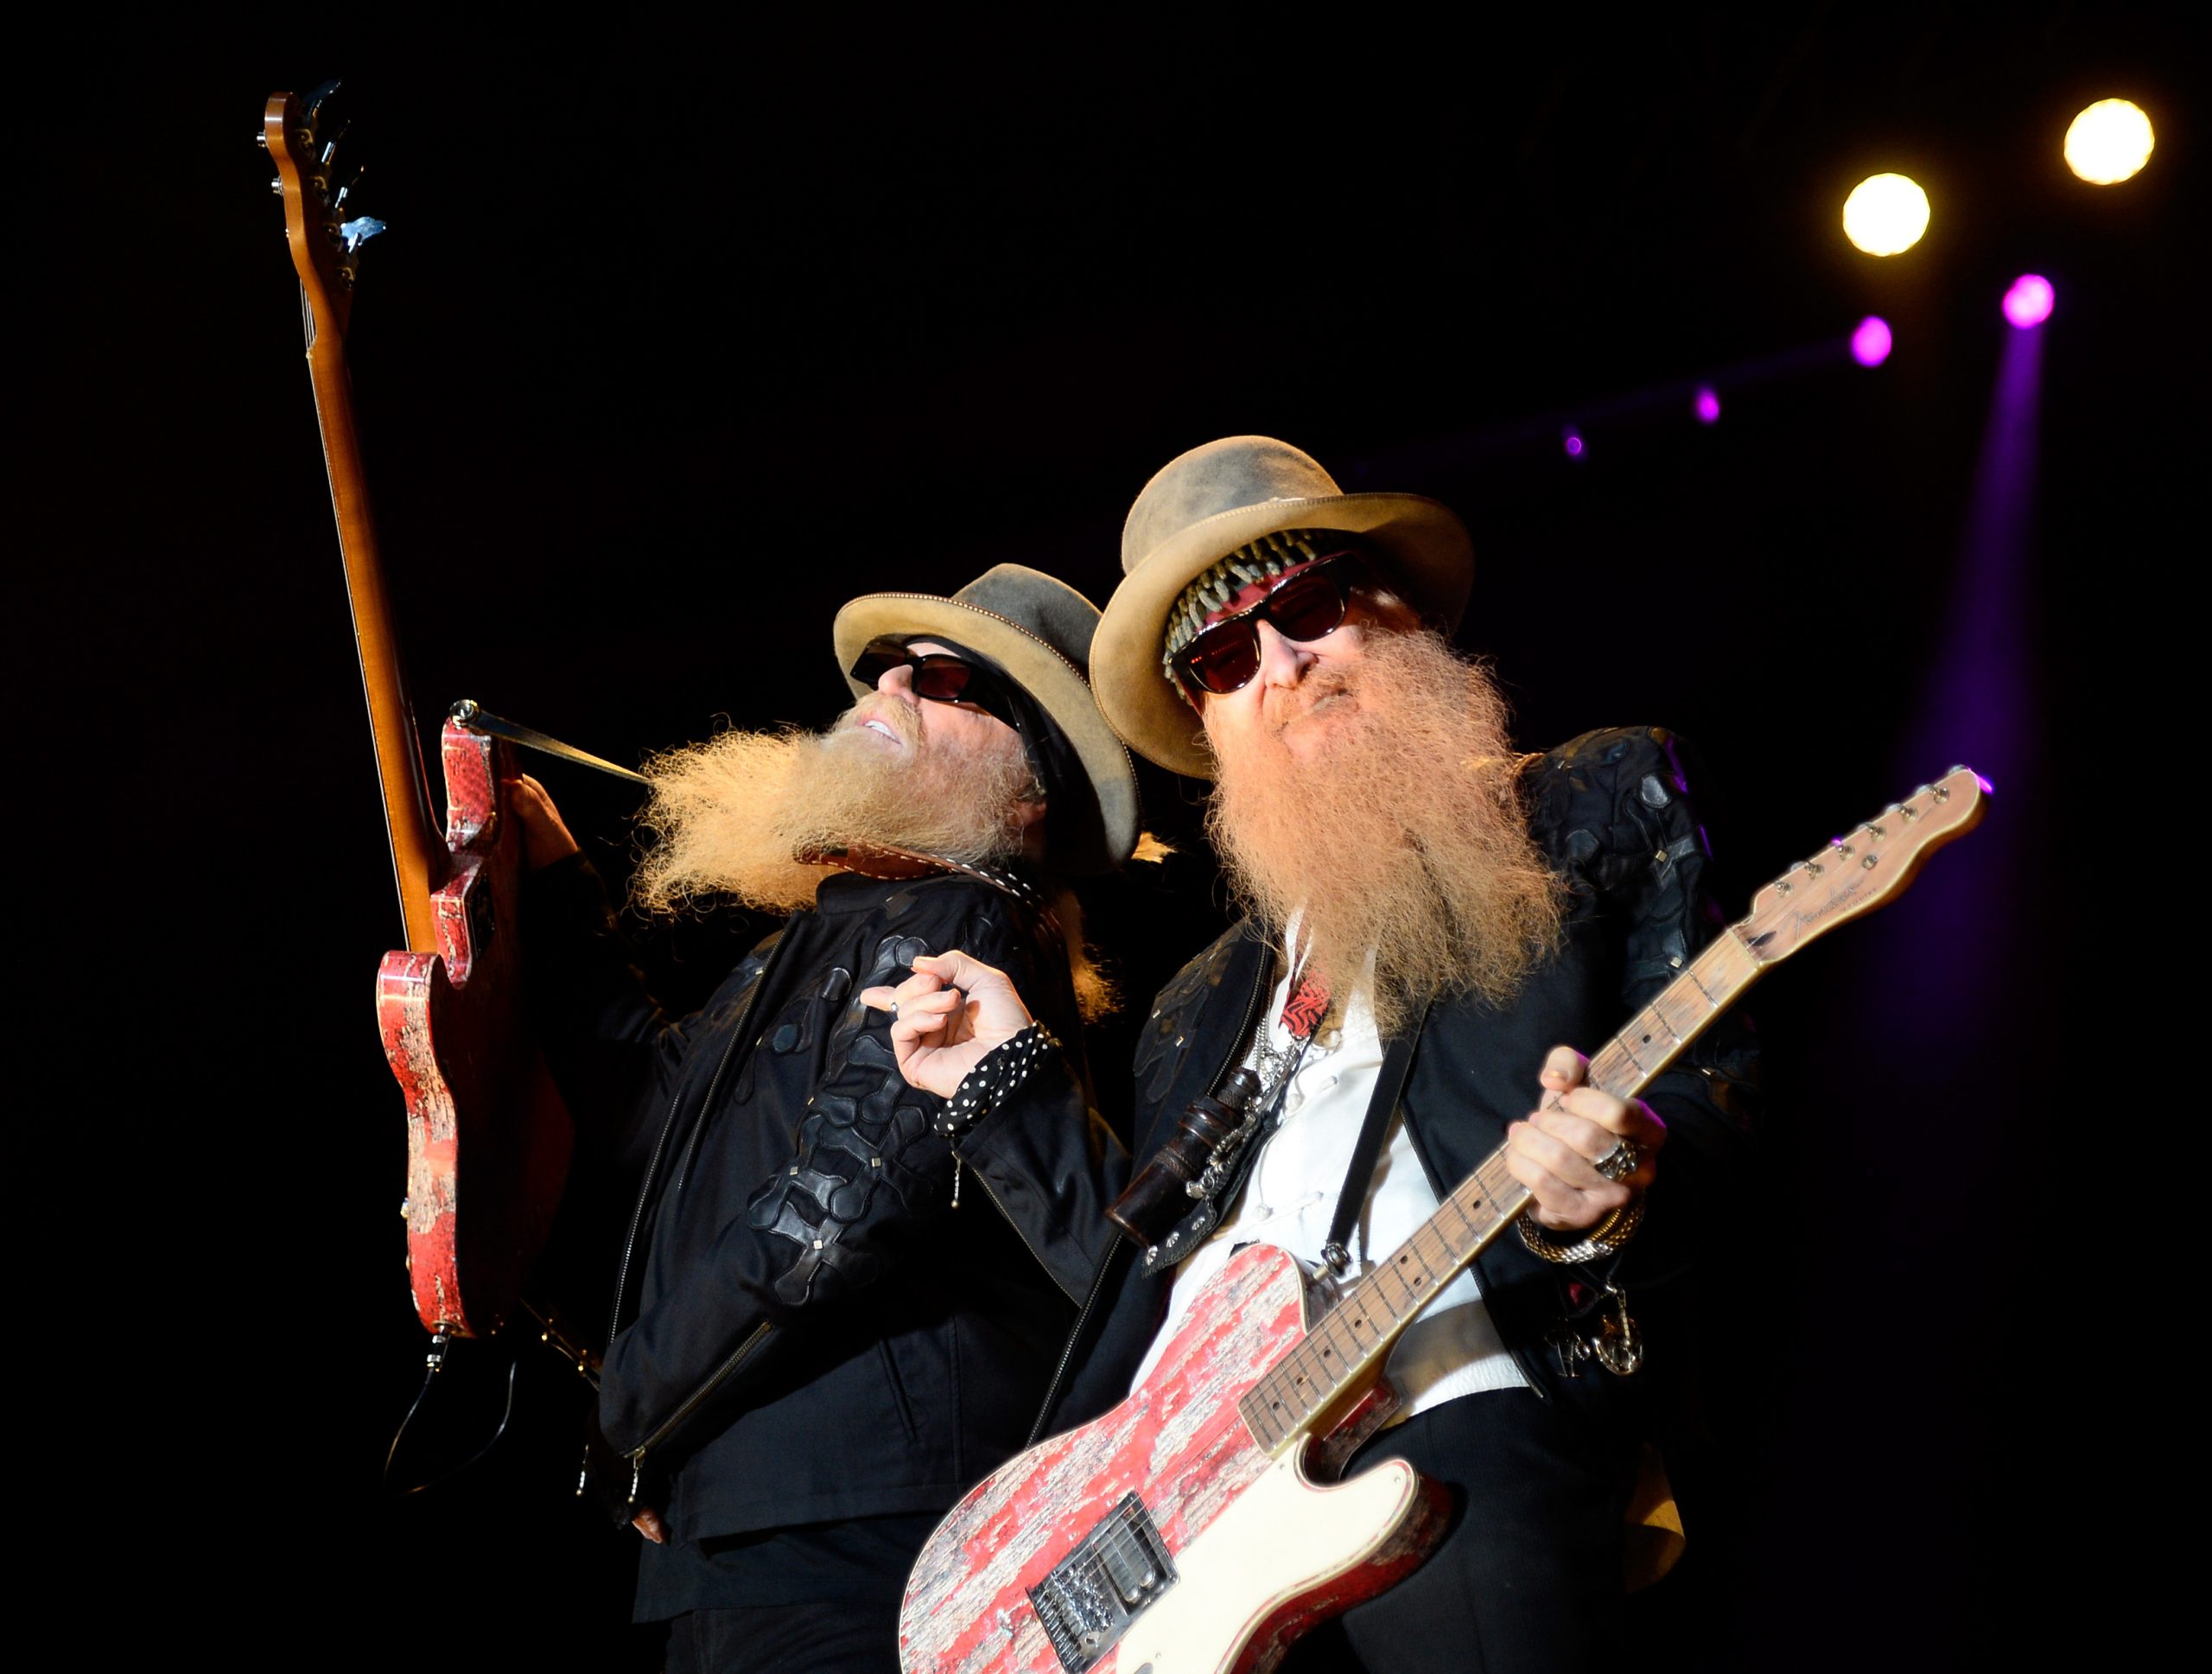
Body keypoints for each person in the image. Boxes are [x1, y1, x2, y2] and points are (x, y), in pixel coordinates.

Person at [872, 437, 1760, 1672]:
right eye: (1224, 659)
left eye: (1304, 606)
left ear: (1400, 611)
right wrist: (1005, 1091)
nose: (1281, 668)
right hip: (1198, 1527)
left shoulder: (1583, 805)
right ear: (1206, 719)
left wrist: (1607, 1192)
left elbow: (1714, 1094)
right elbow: (1145, 1306)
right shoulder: (1198, 1000)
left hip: (1462, 1412)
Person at [511, 565, 1141, 1672]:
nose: (886, 687)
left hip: (866, 1524)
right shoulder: (811, 938)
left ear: (1031, 788)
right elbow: (642, 1110)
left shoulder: (964, 915)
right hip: (739, 1524)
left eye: (945, 682)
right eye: (887, 669)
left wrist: (631, 1405)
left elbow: (827, 1219)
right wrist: (556, 887)